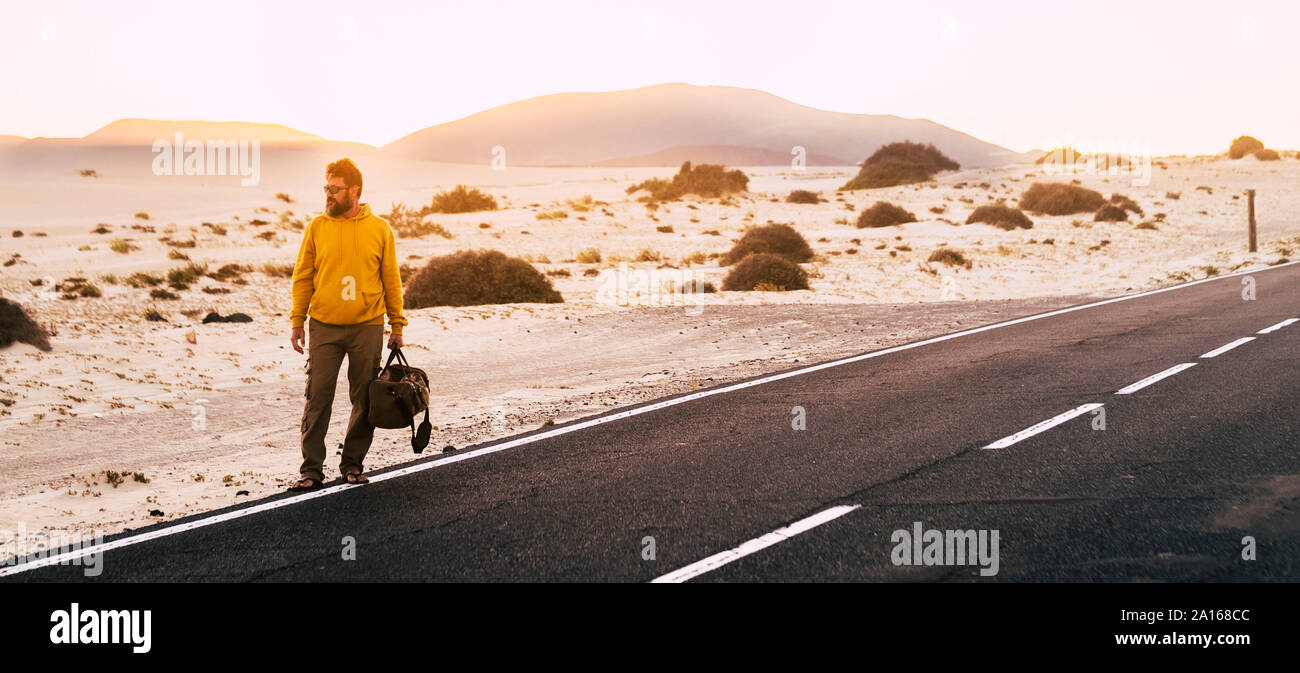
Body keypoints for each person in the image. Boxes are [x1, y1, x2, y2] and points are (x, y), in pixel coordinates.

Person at [287, 157, 407, 490]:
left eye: (334, 189)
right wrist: (297, 321)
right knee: (317, 397)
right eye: (326, 187)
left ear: (354, 191)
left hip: (367, 326)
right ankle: (311, 470)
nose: (328, 194)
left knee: (365, 398)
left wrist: (397, 326)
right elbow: (303, 276)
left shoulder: (380, 229)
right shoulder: (317, 227)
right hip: (323, 326)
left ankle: (352, 464)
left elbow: (391, 280)